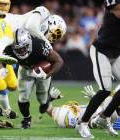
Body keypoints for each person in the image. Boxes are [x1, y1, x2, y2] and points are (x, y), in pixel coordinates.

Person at [4, 24, 65, 129]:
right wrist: (2, 67)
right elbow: (2, 57)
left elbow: (59, 61)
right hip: (25, 68)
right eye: (18, 49)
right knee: (23, 97)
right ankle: (26, 119)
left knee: (42, 100)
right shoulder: (9, 46)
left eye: (23, 48)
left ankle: (47, 101)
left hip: (42, 70)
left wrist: (47, 75)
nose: (21, 51)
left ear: (28, 42)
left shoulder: (39, 45)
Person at [76, 0, 120, 138]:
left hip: (116, 53)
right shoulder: (113, 13)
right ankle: (82, 123)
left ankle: (103, 117)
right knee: (105, 89)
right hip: (101, 52)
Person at [47, 85, 119, 129]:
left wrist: (50, 99)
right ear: (74, 110)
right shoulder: (90, 121)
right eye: (72, 106)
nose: (73, 105)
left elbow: (48, 109)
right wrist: (99, 99)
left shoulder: (61, 116)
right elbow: (107, 116)